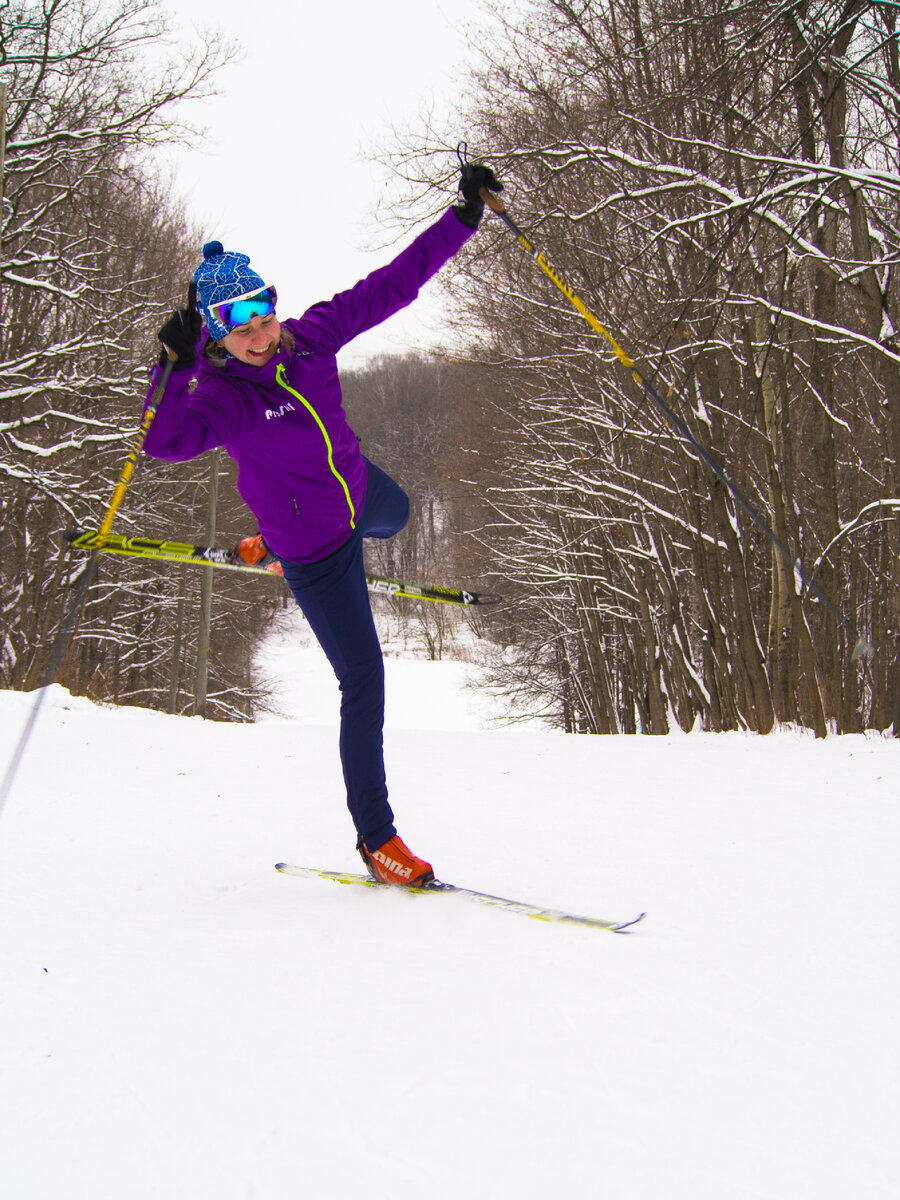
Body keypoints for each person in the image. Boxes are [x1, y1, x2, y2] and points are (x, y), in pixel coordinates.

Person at [144, 159, 502, 887]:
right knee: (364, 678)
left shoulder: (311, 340)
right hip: (317, 547)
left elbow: (394, 285)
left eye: (264, 314)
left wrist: (463, 217)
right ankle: (378, 840)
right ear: (216, 331)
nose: (259, 334)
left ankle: (263, 541)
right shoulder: (224, 398)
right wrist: (173, 368)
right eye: (239, 325)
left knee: (398, 514)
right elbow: (164, 442)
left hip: (362, 493)